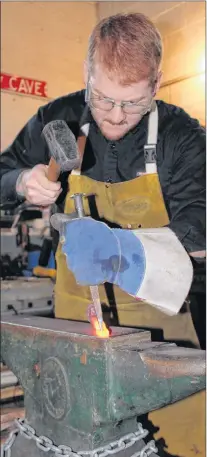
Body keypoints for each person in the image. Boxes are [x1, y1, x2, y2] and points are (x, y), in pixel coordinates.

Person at [0, 13, 205, 347]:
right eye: (104, 98)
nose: (116, 115)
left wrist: (125, 254)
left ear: (156, 84)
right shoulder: (58, 118)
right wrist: (21, 181)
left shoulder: (182, 135)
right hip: (75, 323)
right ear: (87, 74)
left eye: (134, 102)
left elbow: (200, 225)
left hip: (162, 333)